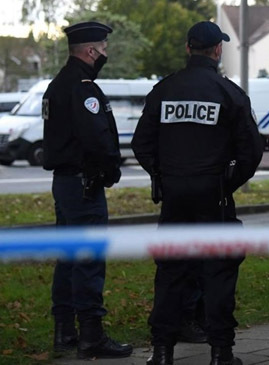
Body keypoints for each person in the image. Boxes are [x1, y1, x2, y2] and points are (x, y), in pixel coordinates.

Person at [132, 21, 263, 365]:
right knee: (218, 272)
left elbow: (141, 144)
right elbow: (251, 151)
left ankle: (162, 351)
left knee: (171, 272)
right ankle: (221, 352)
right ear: (218, 51)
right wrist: (227, 183)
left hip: (175, 196)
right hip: (214, 196)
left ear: (188, 49)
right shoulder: (229, 93)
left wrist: (164, 175)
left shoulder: (164, 90)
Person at [42, 21, 133, 360]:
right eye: (104, 48)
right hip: (83, 186)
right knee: (88, 260)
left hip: (65, 184)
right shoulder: (82, 88)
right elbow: (97, 139)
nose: (105, 54)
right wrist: (111, 170)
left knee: (68, 258)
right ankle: (91, 335)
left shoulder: (57, 84)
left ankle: (65, 331)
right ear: (91, 51)